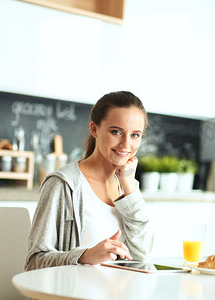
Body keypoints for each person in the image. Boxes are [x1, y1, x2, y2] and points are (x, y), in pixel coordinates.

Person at [25, 91, 154, 271]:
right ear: (94, 129)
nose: (126, 144)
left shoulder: (129, 186)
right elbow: (34, 263)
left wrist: (130, 186)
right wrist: (84, 256)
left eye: (135, 135)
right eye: (116, 132)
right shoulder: (63, 184)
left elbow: (142, 258)